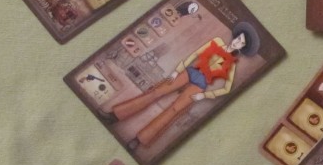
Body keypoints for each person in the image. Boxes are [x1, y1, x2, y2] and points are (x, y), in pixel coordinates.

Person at [100, 23, 260, 151]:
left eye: (241, 42)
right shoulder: (217, 42)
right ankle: (114, 116)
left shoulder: (232, 63)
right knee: (157, 92)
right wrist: (177, 71)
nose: (237, 42)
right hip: (190, 72)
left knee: (175, 110)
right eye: (238, 38)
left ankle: (139, 140)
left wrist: (204, 95)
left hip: (201, 85)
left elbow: (226, 89)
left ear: (242, 47)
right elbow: (195, 54)